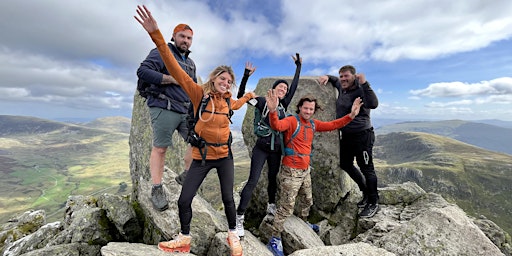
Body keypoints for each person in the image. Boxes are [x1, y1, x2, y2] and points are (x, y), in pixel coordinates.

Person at [135, 5, 256, 256]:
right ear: (213, 79)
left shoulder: (226, 101)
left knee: (228, 199)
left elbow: (238, 102)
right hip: (201, 157)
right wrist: (156, 34)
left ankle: (233, 236)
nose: (225, 83)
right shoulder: (198, 92)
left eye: (228, 82)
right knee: (183, 200)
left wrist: (250, 95)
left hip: (224, 156)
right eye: (222, 79)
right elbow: (172, 66)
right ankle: (184, 239)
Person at [263, 90, 363, 256]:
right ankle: (274, 239)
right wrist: (273, 111)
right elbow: (277, 126)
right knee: (286, 207)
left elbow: (333, 125)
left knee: (307, 200)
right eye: (305, 108)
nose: (308, 111)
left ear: (314, 110)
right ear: (300, 108)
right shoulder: (291, 121)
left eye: (311, 109)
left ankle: (303, 223)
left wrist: (351, 116)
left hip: (305, 170)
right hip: (291, 171)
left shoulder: (313, 124)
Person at [235, 53, 302, 238]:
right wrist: (246, 75)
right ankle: (239, 216)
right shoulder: (263, 101)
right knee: (253, 181)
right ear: (273, 89)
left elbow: (294, 87)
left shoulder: (284, 104)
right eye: (280, 86)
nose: (283, 89)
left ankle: (271, 205)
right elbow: (241, 96)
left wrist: (298, 67)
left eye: (285, 88)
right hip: (261, 147)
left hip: (276, 150)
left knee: (273, 178)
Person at [137, 20, 196, 211]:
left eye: (189, 38)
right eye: (182, 36)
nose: (185, 41)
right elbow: (142, 71)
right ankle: (156, 188)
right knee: (160, 149)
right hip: (164, 106)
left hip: (185, 110)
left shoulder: (191, 63)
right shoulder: (162, 53)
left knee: (199, 141)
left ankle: (185, 175)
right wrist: (170, 79)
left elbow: (192, 87)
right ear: (174, 37)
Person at [317, 65, 379, 218]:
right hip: (347, 136)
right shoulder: (341, 85)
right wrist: (327, 76)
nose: (343, 79)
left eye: (346, 76)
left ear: (354, 76)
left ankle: (373, 202)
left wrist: (365, 83)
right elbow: (334, 79)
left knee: (367, 168)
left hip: (362, 135)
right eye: (341, 76)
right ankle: (365, 191)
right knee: (345, 163)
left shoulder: (360, 89)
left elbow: (373, 104)